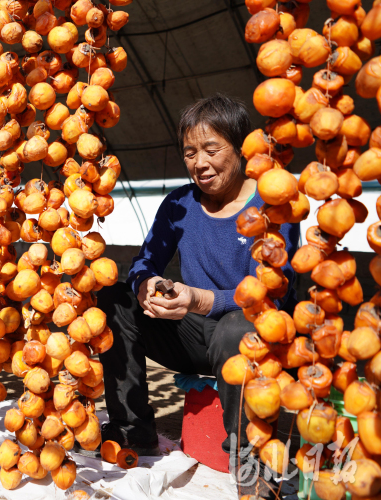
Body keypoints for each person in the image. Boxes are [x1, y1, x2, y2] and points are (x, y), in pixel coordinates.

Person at [87, 94, 299, 498]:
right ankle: (133, 434)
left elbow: (275, 296)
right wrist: (145, 285)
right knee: (114, 299)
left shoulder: (272, 203)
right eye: (189, 153)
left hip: (251, 340)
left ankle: (251, 461)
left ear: (240, 148)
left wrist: (200, 299)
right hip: (190, 336)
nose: (199, 163)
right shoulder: (179, 205)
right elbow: (142, 263)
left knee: (238, 328)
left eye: (211, 149)